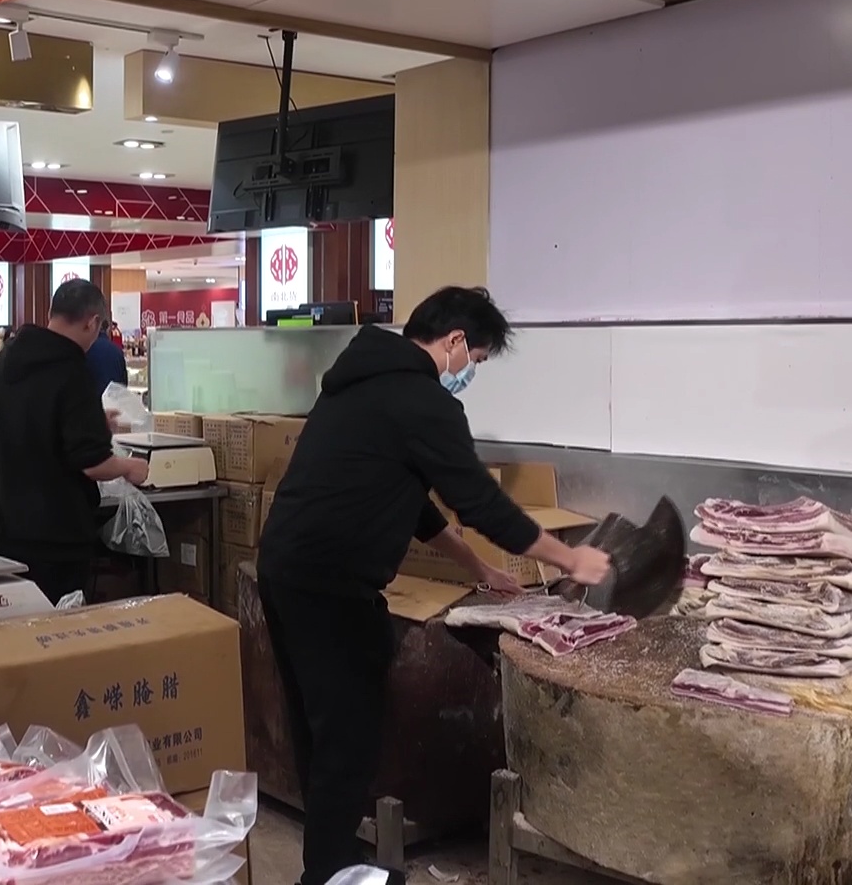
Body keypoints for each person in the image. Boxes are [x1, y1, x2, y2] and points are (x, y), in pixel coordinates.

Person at [257, 286, 613, 882]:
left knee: (320, 736)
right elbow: (481, 504)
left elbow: (412, 501)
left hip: (284, 570)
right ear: (454, 342)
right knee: (347, 742)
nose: (470, 372)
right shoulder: (423, 401)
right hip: (331, 587)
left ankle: (333, 866)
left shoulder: (360, 379)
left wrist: (478, 568)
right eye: (476, 360)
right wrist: (569, 558)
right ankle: (325, 876)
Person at [0, 280, 149, 602]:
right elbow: (92, 463)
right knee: (60, 625)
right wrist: (130, 467)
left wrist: (93, 423)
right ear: (93, 322)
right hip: (56, 536)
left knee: (16, 622)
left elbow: (33, 422)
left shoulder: (7, 359)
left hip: (3, 527)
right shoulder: (71, 369)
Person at [86, 316, 129, 393]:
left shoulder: (87, 348)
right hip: (113, 396)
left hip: (92, 396)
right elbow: (124, 382)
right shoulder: (117, 351)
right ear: (108, 329)